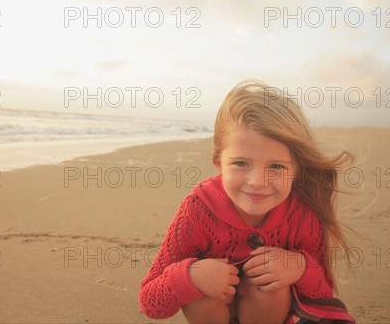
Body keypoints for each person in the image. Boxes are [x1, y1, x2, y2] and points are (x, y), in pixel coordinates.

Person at [139, 80, 356, 324]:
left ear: (296, 169)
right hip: (213, 314)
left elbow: (323, 292)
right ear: (218, 162)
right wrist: (190, 276)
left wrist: (299, 267)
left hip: (270, 315)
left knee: (270, 288)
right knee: (200, 294)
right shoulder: (196, 211)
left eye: (276, 166)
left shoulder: (301, 215)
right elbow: (151, 303)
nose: (257, 181)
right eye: (241, 163)